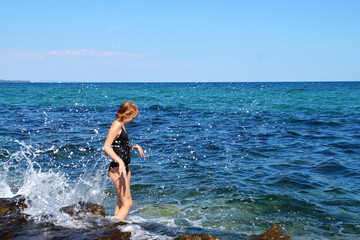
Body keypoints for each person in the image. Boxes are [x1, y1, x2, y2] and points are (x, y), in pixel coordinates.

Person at [103, 101, 145, 219]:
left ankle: (115, 229)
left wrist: (134, 147)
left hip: (125, 168)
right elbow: (106, 146)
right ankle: (116, 232)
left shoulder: (122, 127)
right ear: (126, 114)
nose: (133, 120)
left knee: (121, 202)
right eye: (132, 117)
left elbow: (120, 148)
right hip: (117, 168)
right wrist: (120, 162)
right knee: (128, 203)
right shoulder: (116, 124)